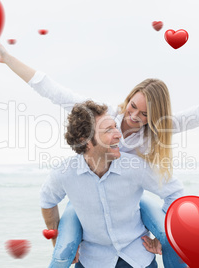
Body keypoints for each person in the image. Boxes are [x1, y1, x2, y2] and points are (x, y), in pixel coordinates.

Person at [0, 43, 199, 267]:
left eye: (144, 114)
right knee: (64, 248)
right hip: (88, 198)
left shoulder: (154, 133)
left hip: (130, 200)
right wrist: (7, 57)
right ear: (130, 97)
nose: (134, 116)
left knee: (169, 237)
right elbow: (51, 90)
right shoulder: (101, 116)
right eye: (133, 106)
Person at [40, 100, 184, 268]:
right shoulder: (64, 173)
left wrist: (161, 235)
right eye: (109, 130)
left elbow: (175, 192)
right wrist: (58, 239)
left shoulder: (135, 167)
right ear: (85, 141)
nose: (119, 134)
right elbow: (47, 201)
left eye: (116, 127)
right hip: (92, 260)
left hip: (137, 257)